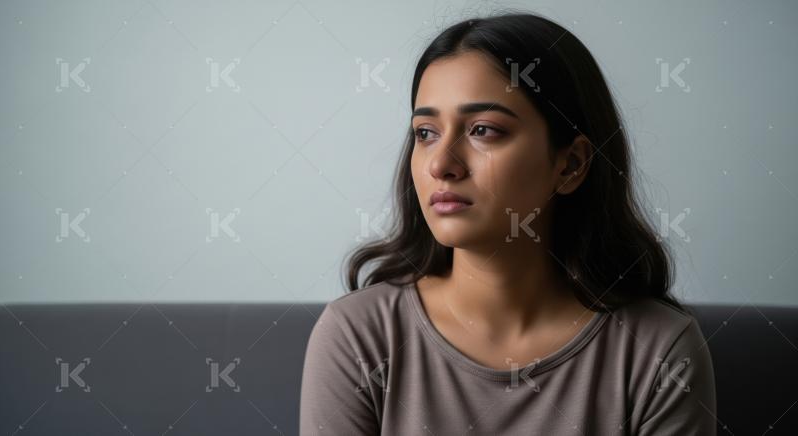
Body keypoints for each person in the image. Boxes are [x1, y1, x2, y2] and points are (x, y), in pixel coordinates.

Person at [300, 10, 717, 435]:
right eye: (425, 133)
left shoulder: (658, 350)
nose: (441, 164)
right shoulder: (358, 337)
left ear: (570, 164)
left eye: (483, 130)